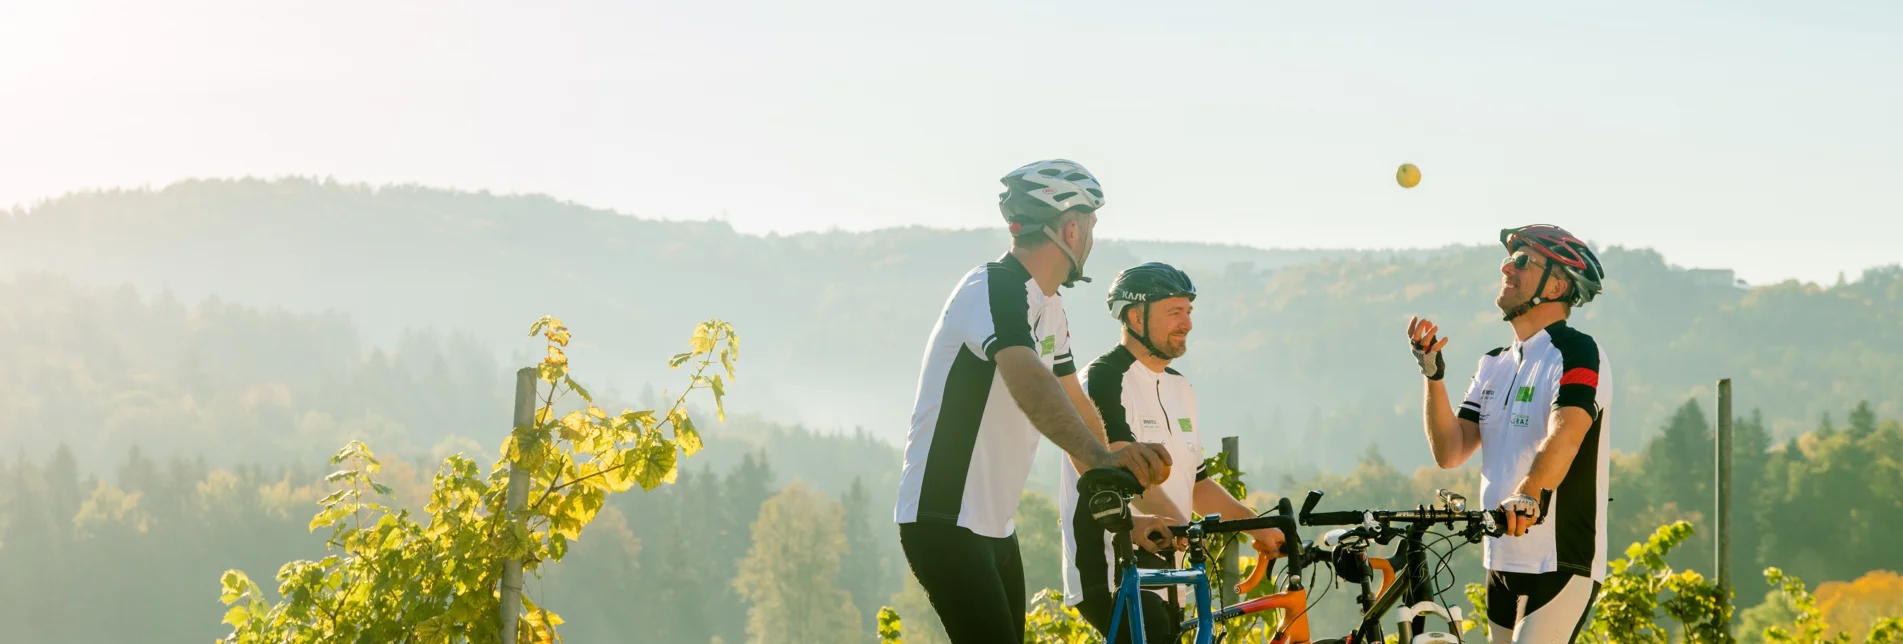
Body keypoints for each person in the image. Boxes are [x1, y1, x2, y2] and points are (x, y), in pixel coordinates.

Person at [895, 159, 1174, 643]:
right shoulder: (994, 287)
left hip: (995, 527)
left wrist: (1118, 503)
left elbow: (1076, 403)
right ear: (1069, 229)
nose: (1091, 238)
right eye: (1090, 226)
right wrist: (1101, 456)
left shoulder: (1050, 305)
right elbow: (1028, 379)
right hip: (943, 519)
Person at [1059, 262, 1287, 643]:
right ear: (1135, 316)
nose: (1187, 324)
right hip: (1113, 568)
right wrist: (1181, 525)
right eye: (1174, 312)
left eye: (1189, 312)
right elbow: (1124, 469)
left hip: (1171, 572)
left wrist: (1256, 525)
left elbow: (1197, 484)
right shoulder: (1103, 378)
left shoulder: (1182, 388)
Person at [1406, 224, 1611, 643]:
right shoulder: (1494, 362)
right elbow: (1451, 450)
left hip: (1559, 558)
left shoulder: (1576, 351)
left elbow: (1567, 432)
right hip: (1500, 559)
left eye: (1521, 261)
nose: (1506, 267)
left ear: (1556, 286)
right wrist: (1433, 377)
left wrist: (1530, 491)